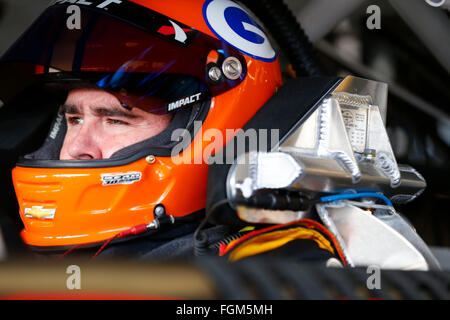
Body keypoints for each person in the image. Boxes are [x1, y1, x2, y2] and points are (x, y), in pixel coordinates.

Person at [0, 0, 341, 264]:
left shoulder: (263, 268)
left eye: (115, 119)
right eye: (73, 120)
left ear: (210, 131)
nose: (75, 149)